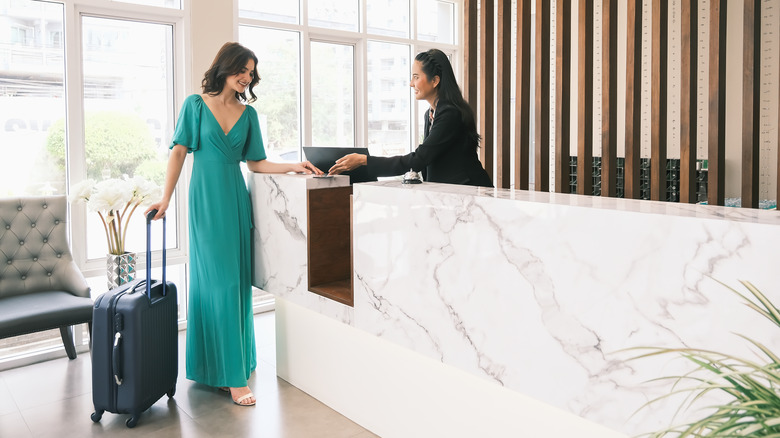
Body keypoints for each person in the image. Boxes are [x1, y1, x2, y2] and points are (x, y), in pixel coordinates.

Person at [145, 42, 322, 407]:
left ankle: (231, 363)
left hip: (234, 201)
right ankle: (229, 375)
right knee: (216, 283)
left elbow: (256, 163)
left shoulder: (248, 115)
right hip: (205, 202)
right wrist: (166, 199)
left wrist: (293, 165)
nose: (247, 78)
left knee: (233, 284)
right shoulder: (195, 106)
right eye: (242, 70)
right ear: (225, 67)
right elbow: (178, 151)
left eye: (251, 73)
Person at [328, 48, 492, 187]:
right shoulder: (430, 114)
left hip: (470, 191)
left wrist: (365, 160)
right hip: (450, 193)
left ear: (434, 80)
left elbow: (419, 159)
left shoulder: (450, 113)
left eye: (416, 77)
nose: (411, 83)